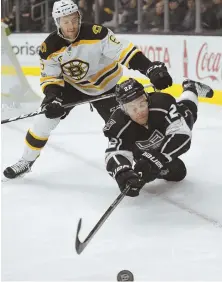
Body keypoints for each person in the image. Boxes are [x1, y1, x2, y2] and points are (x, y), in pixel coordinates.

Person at [3, 0, 172, 180]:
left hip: (109, 87)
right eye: (65, 21)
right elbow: (50, 78)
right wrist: (53, 98)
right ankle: (26, 161)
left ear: (79, 17)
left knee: (127, 127)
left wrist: (149, 68)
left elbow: (125, 52)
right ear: (57, 22)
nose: (71, 26)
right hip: (74, 87)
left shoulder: (96, 34)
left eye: (74, 20)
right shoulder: (49, 47)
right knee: (43, 120)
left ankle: (147, 162)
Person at [103, 78, 214, 197]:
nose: (139, 111)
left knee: (187, 113)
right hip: (142, 151)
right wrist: (123, 173)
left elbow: (181, 134)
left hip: (165, 131)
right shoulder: (117, 125)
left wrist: (158, 158)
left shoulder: (162, 104)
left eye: (142, 104)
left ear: (147, 98)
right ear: (123, 110)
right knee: (178, 173)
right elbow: (115, 153)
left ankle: (191, 87)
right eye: (132, 108)